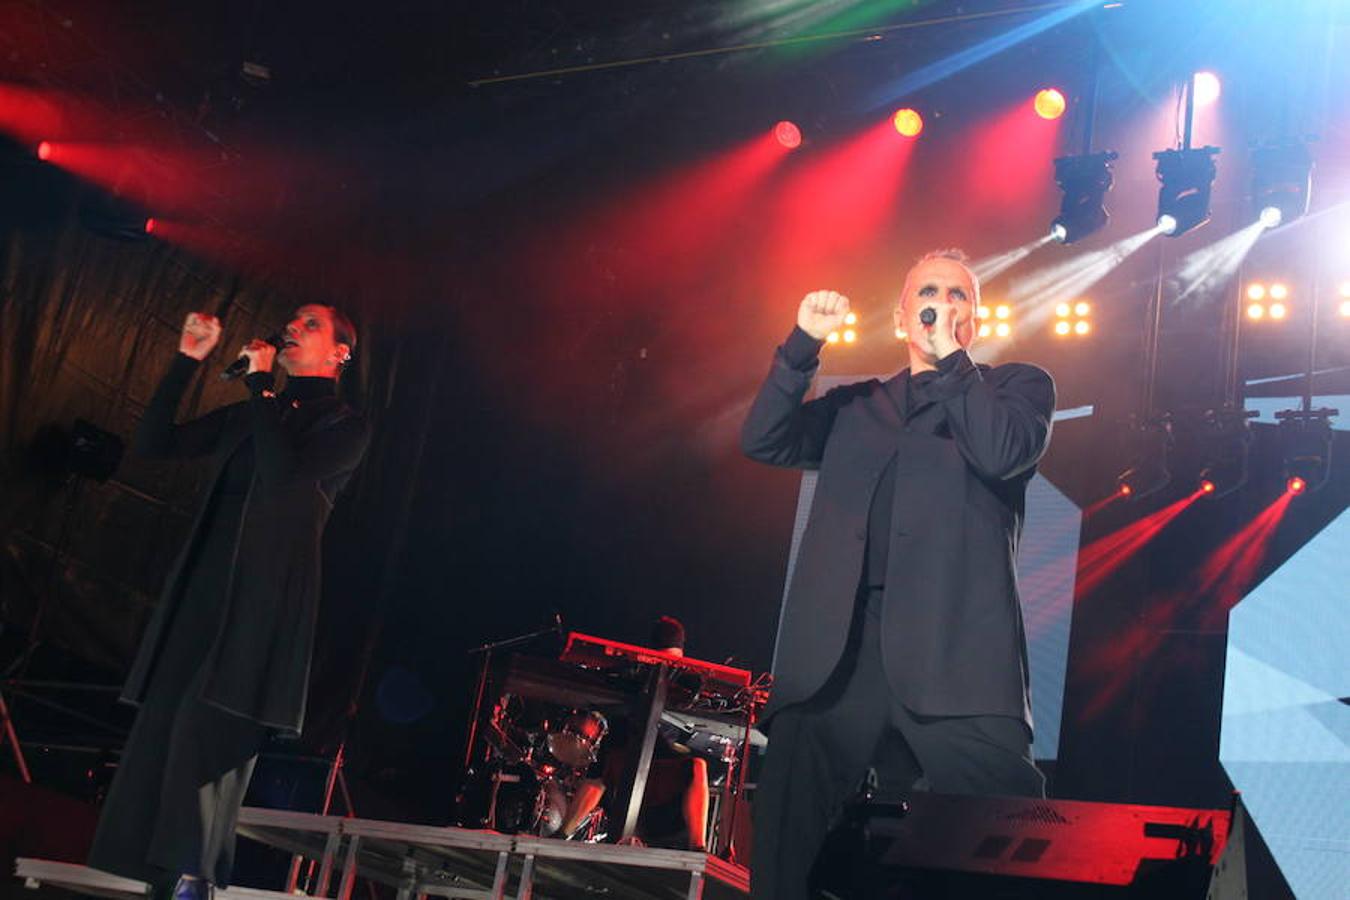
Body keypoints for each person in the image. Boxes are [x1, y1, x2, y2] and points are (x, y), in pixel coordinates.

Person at [741, 250, 1055, 899]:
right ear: (901, 314)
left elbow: (1002, 454)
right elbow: (764, 440)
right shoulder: (856, 406)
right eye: (928, 292)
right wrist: (802, 346)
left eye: (958, 294)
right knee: (783, 839)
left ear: (974, 316)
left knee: (1005, 834)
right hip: (840, 655)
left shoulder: (1015, 390)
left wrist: (951, 365)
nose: (943, 302)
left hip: (956, 655)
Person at [88, 305, 370, 900]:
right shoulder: (258, 409)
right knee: (162, 730)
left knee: (207, 737)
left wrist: (261, 386)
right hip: (204, 592)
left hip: (263, 604)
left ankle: (193, 878)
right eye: (291, 319)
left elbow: (282, 474)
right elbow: (155, 441)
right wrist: (185, 361)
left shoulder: (343, 425)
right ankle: (142, 879)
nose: (292, 326)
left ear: (341, 353)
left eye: (310, 325)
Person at [558, 616, 711, 851]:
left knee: (696, 766)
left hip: (657, 766)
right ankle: (564, 833)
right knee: (606, 761)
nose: (670, 667)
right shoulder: (639, 673)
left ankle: (697, 848)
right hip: (628, 760)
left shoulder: (684, 677)